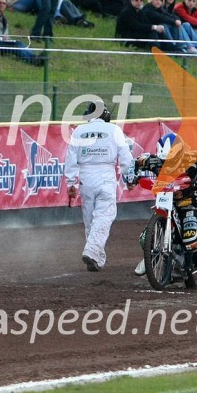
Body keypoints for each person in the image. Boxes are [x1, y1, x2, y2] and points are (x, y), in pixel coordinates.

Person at [129, 132, 197, 276]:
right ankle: (150, 259)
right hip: (165, 201)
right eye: (165, 161)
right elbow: (135, 162)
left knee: (190, 240)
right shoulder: (152, 160)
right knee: (144, 238)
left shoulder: (192, 159)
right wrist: (132, 177)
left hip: (187, 203)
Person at [64, 100, 133, 272]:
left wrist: (71, 183)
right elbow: (125, 158)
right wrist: (130, 178)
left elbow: (70, 158)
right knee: (104, 215)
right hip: (106, 176)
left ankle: (96, 259)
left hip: (85, 178)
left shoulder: (79, 131)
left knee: (89, 220)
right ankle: (92, 251)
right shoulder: (114, 130)